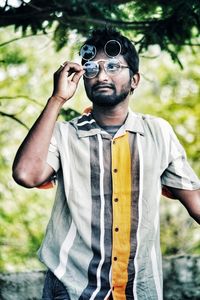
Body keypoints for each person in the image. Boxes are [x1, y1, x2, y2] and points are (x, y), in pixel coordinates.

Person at [12, 28, 200, 300]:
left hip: (140, 289)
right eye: (91, 68)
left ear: (134, 80)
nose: (101, 75)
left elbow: (195, 201)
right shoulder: (64, 134)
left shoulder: (158, 132)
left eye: (113, 66)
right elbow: (26, 174)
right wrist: (57, 99)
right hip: (72, 289)